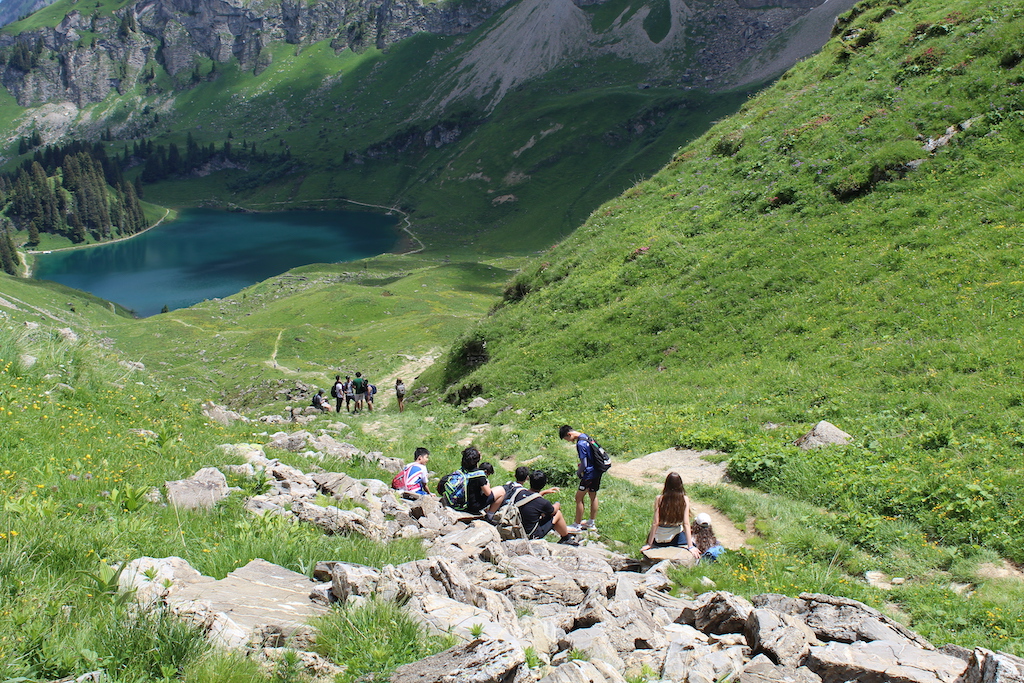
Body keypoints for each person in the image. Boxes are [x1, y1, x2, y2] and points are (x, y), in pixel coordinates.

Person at [512, 470, 578, 545]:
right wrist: (557, 504)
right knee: (557, 514)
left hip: (517, 530)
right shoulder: (543, 502)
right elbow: (553, 511)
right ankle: (566, 538)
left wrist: (543, 492)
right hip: (531, 535)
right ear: (544, 484)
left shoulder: (520, 493)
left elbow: (532, 499)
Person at [641, 472, 698, 556]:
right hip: (676, 538)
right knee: (695, 543)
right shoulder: (685, 499)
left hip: (659, 538)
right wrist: (690, 546)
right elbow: (686, 523)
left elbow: (655, 523)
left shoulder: (659, 499)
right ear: (680, 485)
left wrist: (649, 544)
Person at [559, 425, 602, 532]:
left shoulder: (580, 443)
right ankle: (591, 523)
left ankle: (576, 525)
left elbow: (584, 463)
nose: (569, 441)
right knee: (593, 496)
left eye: (566, 439)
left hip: (588, 474)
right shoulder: (586, 437)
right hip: (597, 471)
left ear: (569, 434)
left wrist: (579, 472)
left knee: (578, 498)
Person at [440, 446, 505, 517]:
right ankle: (490, 516)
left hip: (458, 504)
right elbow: (488, 493)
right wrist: (488, 484)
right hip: (472, 507)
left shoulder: (461, 471)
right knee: (501, 491)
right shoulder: (479, 475)